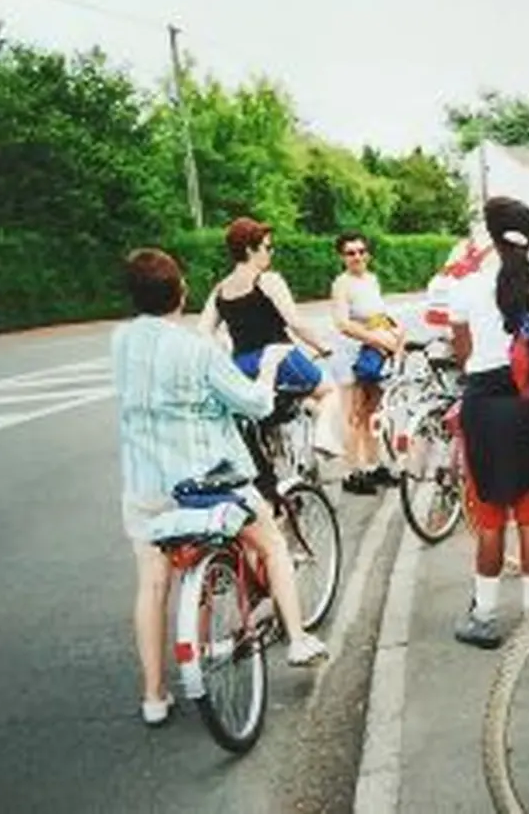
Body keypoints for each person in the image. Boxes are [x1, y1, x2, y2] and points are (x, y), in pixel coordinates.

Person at [112, 248, 329, 727]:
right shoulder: (197, 350)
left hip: (146, 487)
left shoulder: (121, 341)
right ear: (181, 292)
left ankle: (153, 695)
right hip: (205, 484)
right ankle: (298, 638)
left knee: (152, 583)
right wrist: (269, 365)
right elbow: (254, 403)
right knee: (271, 541)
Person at [448, 197, 529, 649]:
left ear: (491, 237)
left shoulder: (469, 286)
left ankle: (486, 616)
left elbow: (462, 352)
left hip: (484, 404)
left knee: (490, 515)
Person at [197, 216, 343, 467]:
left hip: (243, 366)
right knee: (329, 392)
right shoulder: (267, 280)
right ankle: (323, 438)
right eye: (267, 247)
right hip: (279, 357)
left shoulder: (220, 289)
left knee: (270, 410)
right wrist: (323, 347)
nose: (271, 253)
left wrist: (223, 351)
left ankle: (274, 468)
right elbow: (295, 323)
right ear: (249, 250)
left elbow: (203, 331)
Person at [329, 231, 406, 495]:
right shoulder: (342, 284)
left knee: (373, 412)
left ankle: (373, 466)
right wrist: (378, 340)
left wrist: (395, 334)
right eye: (350, 253)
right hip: (351, 354)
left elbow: (377, 315)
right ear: (342, 257)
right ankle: (352, 473)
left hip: (373, 353)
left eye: (361, 251)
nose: (357, 257)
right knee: (354, 414)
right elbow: (342, 323)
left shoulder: (371, 280)